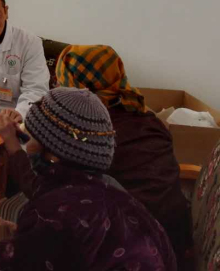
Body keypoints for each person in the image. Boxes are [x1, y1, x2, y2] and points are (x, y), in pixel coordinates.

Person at [0, 87, 177, 271]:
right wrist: (27, 237)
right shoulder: (109, 188)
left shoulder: (53, 213)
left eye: (32, 138)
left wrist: (2, 245)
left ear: (54, 154)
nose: (28, 147)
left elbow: (6, 265)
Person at [56, 45, 192, 265]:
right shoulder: (148, 119)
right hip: (175, 240)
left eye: (60, 82)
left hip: (132, 252)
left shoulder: (89, 135)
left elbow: (50, 189)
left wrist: (15, 145)